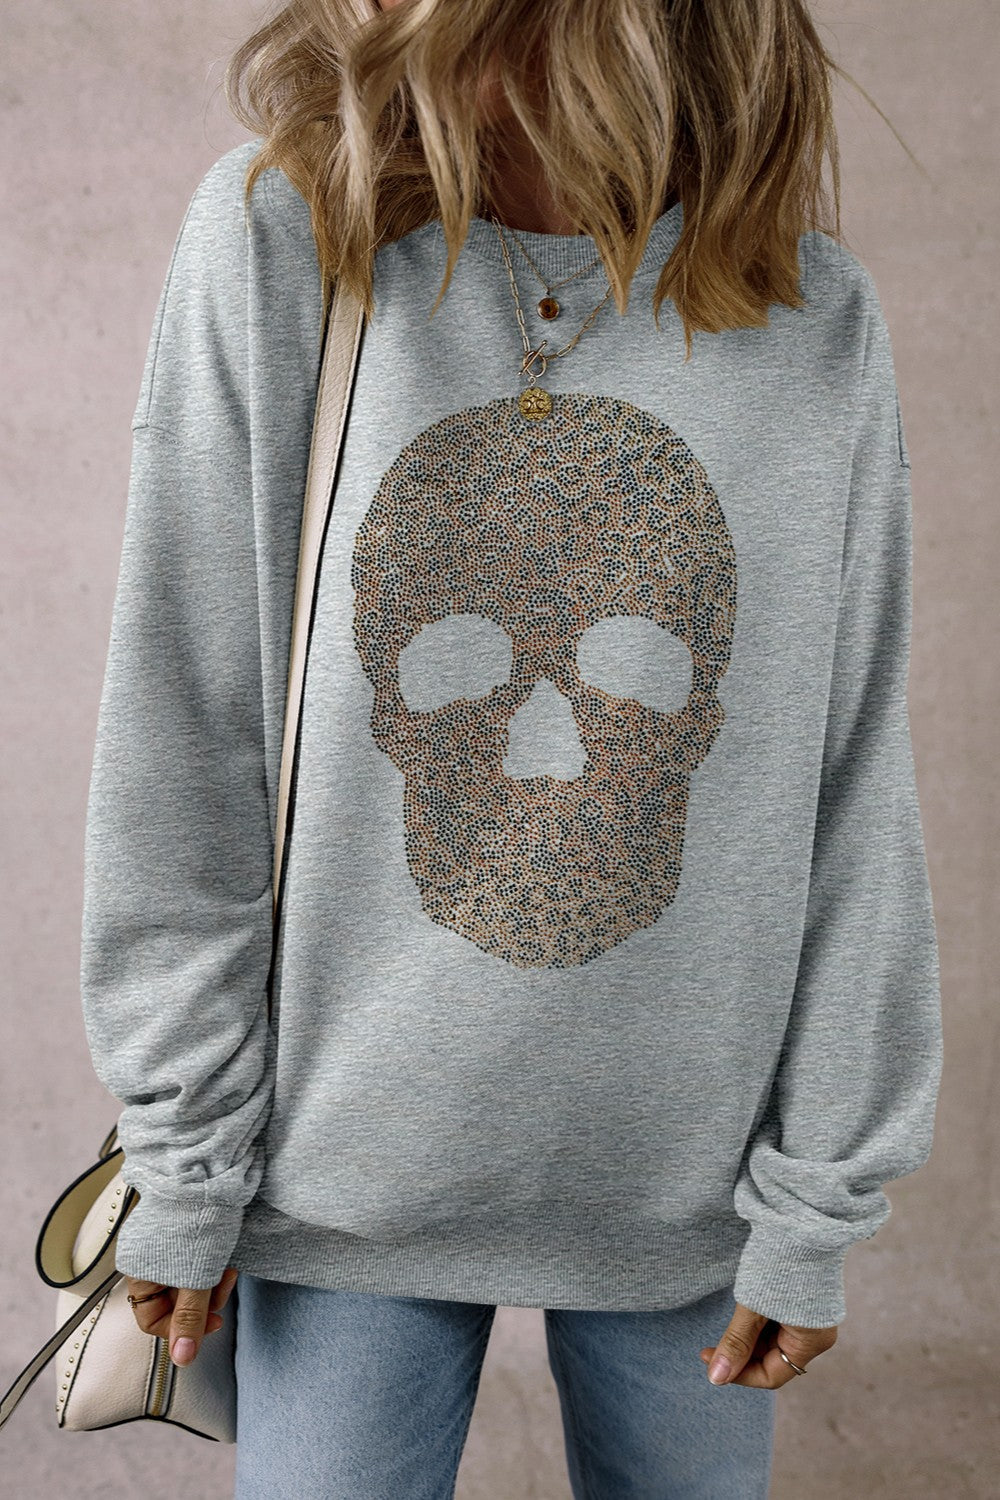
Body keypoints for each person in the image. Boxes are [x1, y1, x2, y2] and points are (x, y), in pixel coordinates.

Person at [80, 0, 944, 1495]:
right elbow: (189, 727)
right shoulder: (283, 249)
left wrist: (820, 1199)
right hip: (333, 1187)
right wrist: (183, 1156)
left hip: (697, 1199)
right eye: (463, 675)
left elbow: (852, 781)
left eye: (629, 678)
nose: (547, 745)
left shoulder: (809, 319)